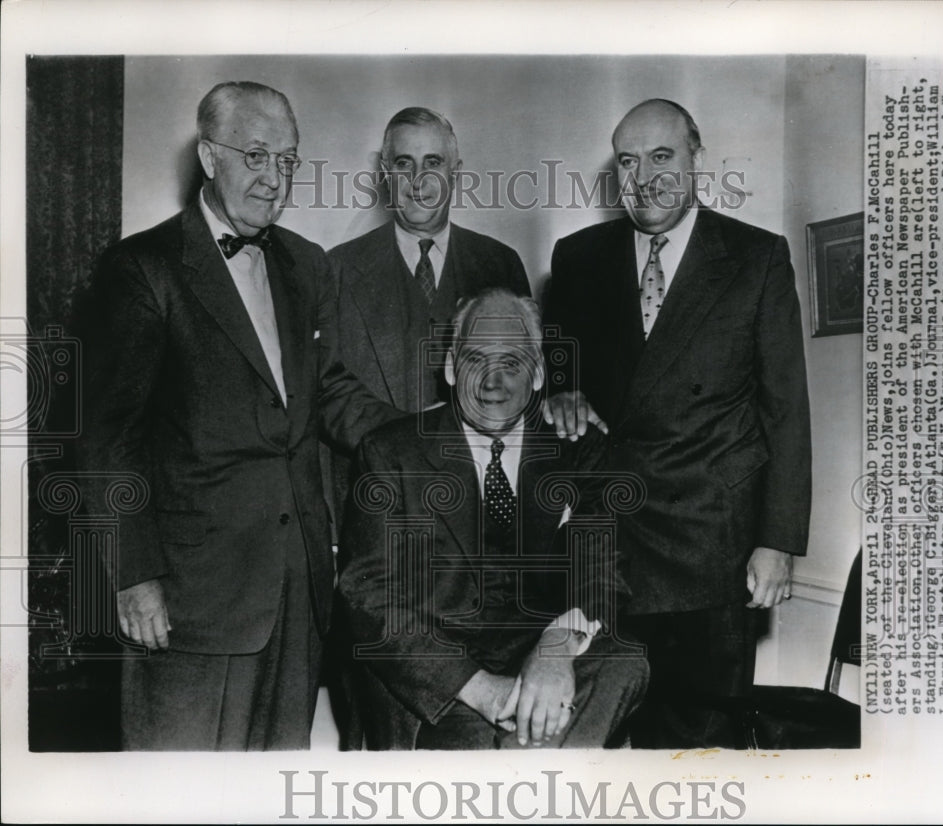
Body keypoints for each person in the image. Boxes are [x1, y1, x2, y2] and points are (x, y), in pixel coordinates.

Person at [76, 81, 398, 750]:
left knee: (272, 790)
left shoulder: (309, 266)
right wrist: (133, 576)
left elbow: (329, 394)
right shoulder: (143, 269)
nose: (274, 179)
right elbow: (108, 438)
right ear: (210, 156)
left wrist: (429, 435)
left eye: (287, 160)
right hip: (190, 598)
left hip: (297, 587)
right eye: (256, 156)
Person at [543, 98, 812, 748]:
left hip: (711, 551)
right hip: (606, 547)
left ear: (696, 157)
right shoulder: (577, 258)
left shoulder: (755, 257)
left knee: (699, 749)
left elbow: (786, 407)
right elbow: (554, 379)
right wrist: (561, 394)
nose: (644, 177)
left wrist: (777, 543)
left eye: (661, 156)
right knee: (596, 743)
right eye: (627, 162)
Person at [338, 288, 648, 749]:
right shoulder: (391, 453)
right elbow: (369, 600)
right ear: (449, 368)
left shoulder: (577, 450)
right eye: (474, 360)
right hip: (446, 681)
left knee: (626, 662)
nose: (492, 382)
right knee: (515, 742)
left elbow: (602, 574)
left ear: (539, 373)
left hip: (543, 662)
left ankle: (530, 758)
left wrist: (555, 647)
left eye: (512, 363)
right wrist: (484, 691)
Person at [325, 106, 531, 526]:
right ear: (386, 173)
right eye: (404, 164)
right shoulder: (335, 270)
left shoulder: (500, 265)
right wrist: (416, 437)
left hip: (479, 512)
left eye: (432, 163)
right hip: (372, 508)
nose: (418, 181)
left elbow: (527, 385)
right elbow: (325, 389)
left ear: (456, 171)